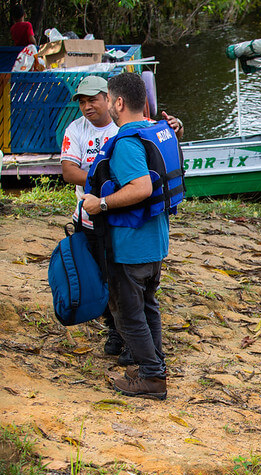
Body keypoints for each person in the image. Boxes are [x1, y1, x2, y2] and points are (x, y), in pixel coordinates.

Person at [61, 75, 183, 361]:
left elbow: (141, 187)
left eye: (93, 99)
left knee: (128, 308)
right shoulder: (155, 130)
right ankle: (153, 359)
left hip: (129, 236)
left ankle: (150, 372)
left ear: (114, 101)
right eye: (82, 101)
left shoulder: (127, 139)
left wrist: (102, 202)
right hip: (154, 236)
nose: (87, 106)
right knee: (144, 303)